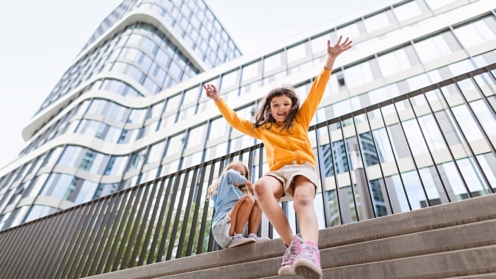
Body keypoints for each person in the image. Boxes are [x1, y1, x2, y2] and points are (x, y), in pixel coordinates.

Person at [204, 36, 352, 278]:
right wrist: (218, 100)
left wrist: (331, 59)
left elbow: (318, 88)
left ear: (292, 105)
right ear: (269, 108)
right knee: (260, 186)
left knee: (302, 202)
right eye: (276, 105)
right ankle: (293, 244)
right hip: (278, 173)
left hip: (303, 167)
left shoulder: (302, 118)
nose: (281, 108)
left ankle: (311, 250)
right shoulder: (263, 128)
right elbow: (236, 121)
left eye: (286, 104)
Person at [206, 161, 269, 249]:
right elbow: (229, 174)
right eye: (236, 172)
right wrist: (249, 184)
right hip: (223, 230)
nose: (238, 175)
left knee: (257, 202)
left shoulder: (241, 194)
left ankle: (252, 235)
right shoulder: (223, 187)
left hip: (238, 232)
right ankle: (238, 236)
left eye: (241, 174)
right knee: (248, 198)